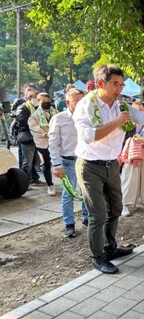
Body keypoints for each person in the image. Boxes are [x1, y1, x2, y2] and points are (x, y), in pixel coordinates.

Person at [74, 64, 144, 274]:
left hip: (112, 165)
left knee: (116, 209)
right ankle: (98, 257)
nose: (120, 88)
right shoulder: (86, 105)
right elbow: (88, 136)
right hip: (90, 166)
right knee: (98, 214)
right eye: (115, 84)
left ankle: (110, 248)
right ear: (101, 84)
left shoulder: (122, 106)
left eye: (121, 84)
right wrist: (117, 122)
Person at [49, 88, 89, 237]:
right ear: (68, 102)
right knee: (68, 194)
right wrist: (57, 165)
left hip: (85, 160)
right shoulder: (59, 118)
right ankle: (69, 224)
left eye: (82, 101)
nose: (81, 104)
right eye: (77, 101)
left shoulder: (88, 117)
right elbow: (53, 143)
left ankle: (87, 219)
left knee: (87, 191)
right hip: (67, 161)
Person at [119, 102, 144, 217]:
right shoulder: (127, 125)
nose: (139, 112)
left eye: (141, 110)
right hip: (131, 155)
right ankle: (124, 204)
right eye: (136, 110)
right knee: (128, 178)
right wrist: (134, 139)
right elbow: (121, 140)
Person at [28, 93, 57, 196]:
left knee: (60, 163)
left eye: (47, 101)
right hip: (42, 143)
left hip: (55, 142)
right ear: (39, 102)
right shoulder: (35, 115)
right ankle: (50, 185)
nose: (46, 103)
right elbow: (33, 127)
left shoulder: (55, 112)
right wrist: (45, 133)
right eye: (43, 101)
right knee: (46, 164)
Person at [15, 89, 44, 186]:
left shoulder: (37, 108)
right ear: (30, 97)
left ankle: (33, 178)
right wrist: (35, 124)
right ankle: (24, 183)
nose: (37, 99)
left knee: (35, 161)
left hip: (36, 137)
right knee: (27, 162)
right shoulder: (23, 108)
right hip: (27, 137)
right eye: (36, 97)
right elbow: (22, 121)